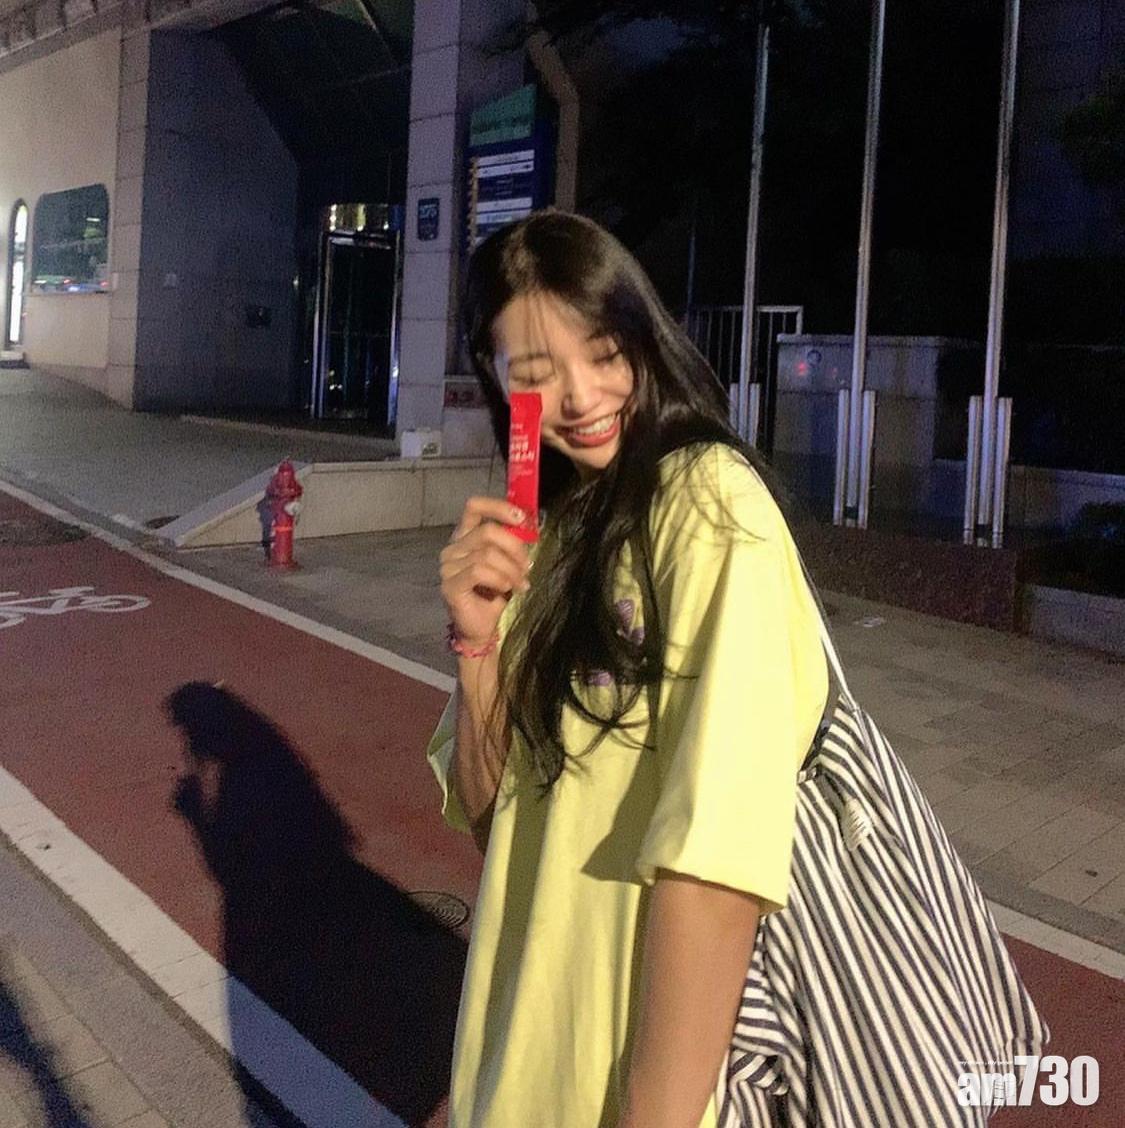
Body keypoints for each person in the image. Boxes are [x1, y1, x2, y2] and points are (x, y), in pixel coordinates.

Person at [427, 210, 828, 1128]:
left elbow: (716, 868)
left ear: (644, 339)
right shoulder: (551, 530)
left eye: (604, 352)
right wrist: (477, 645)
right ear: (498, 379)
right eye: (536, 372)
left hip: (635, 1083)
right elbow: (499, 825)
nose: (579, 396)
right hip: (519, 1059)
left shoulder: (710, 506)